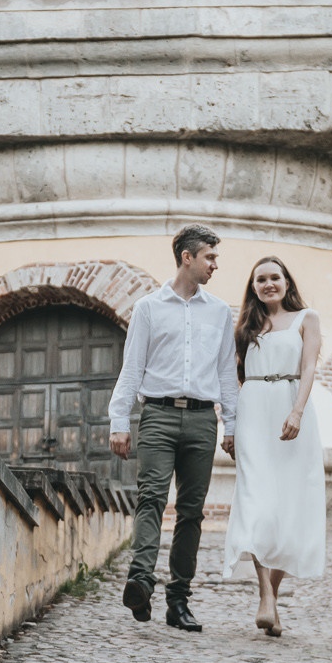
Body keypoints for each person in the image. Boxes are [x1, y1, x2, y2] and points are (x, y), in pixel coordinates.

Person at [106, 225, 237, 631]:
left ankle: (178, 600)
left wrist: (231, 424)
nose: (215, 265)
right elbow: (132, 368)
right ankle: (141, 581)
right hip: (158, 417)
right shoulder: (148, 308)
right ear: (187, 257)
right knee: (151, 499)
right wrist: (119, 421)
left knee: (192, 512)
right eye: (209, 257)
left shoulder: (220, 312)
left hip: (202, 420)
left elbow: (226, 374)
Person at [220, 256, 325, 636]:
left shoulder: (306, 318)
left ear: (286, 281)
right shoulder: (246, 326)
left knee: (290, 509)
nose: (268, 284)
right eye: (260, 279)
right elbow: (231, 378)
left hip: (291, 409)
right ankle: (266, 595)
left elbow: (309, 367)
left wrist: (297, 412)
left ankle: (271, 599)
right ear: (253, 287)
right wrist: (229, 426)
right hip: (254, 412)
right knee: (257, 504)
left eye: (274, 277)